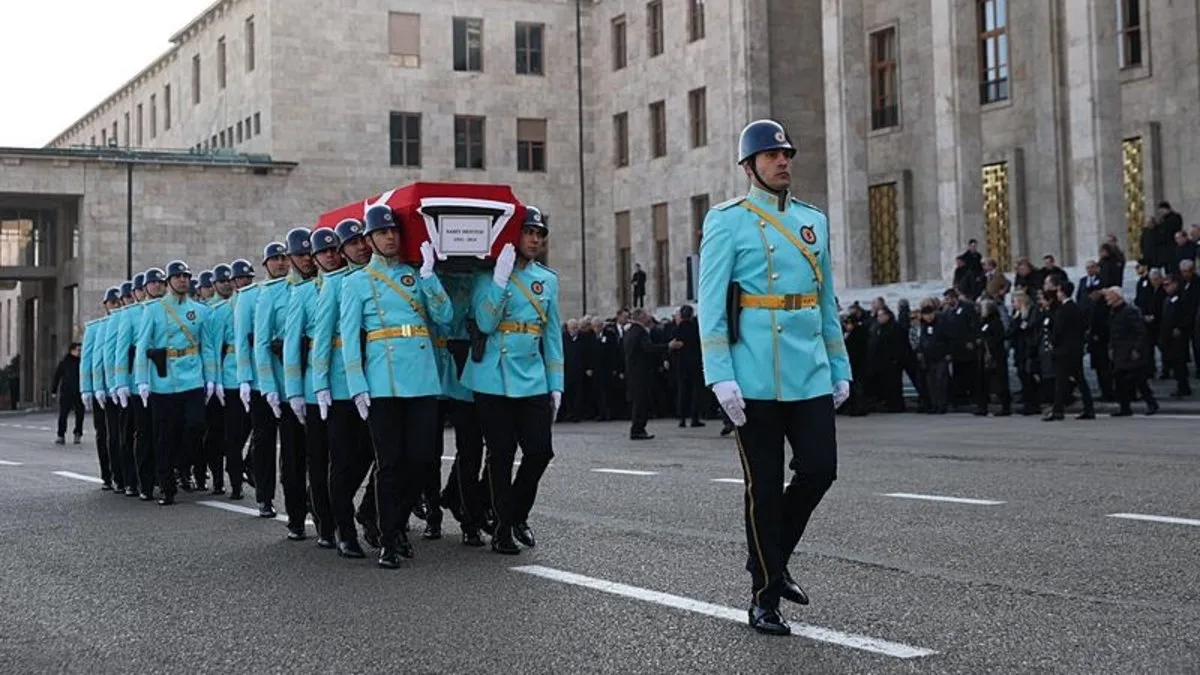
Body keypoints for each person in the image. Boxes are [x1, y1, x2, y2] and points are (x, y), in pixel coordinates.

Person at [697, 119, 851, 636]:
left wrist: (840, 366)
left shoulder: (813, 221)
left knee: (820, 470)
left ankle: (771, 555)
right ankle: (764, 595)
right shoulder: (727, 221)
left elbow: (825, 301)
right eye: (771, 155)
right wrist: (720, 375)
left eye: (786, 154)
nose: (783, 161)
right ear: (749, 167)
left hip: (809, 370)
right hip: (753, 375)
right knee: (763, 487)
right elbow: (711, 306)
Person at [339, 204, 452, 568]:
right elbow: (349, 337)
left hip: (422, 377)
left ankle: (394, 521)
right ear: (369, 240)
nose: (390, 237)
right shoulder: (356, 282)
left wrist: (430, 276)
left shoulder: (415, 275)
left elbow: (445, 317)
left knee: (421, 460)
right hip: (382, 381)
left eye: (393, 231)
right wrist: (357, 385)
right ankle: (389, 539)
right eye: (382, 232)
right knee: (390, 464)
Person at [461, 205, 564, 556]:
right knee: (501, 454)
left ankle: (515, 513)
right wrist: (500, 281)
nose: (535, 240)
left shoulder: (547, 279)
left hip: (532, 375)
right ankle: (502, 528)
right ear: (513, 236)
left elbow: (552, 335)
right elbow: (485, 323)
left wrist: (556, 382)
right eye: (529, 233)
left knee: (540, 451)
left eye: (540, 235)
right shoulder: (486, 276)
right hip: (493, 376)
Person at [312, 217, 380, 557]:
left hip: (377, 382)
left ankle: (363, 510)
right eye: (353, 243)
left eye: (363, 240)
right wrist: (320, 385)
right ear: (342, 251)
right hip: (341, 387)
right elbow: (322, 339)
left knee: (372, 454)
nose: (361, 247)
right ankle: (344, 531)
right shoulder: (336, 284)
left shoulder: (379, 278)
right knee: (342, 461)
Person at [133, 261, 217, 506]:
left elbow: (207, 347)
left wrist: (211, 378)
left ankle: (183, 463)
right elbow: (142, 346)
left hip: (192, 377)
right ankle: (167, 486)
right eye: (178, 276)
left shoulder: (200, 311)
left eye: (186, 276)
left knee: (196, 425)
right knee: (164, 436)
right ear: (169, 281)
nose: (183, 280)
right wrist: (142, 380)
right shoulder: (154, 309)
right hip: (164, 380)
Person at [258, 228, 313, 541]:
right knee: (293, 456)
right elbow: (262, 343)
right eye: (300, 255)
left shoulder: (322, 286)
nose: (307, 259)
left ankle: (320, 508)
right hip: (286, 385)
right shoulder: (272, 293)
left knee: (321, 454)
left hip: (319, 381)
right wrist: (268, 386)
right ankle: (296, 515)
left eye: (309, 253)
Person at [284, 227, 338, 549]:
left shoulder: (346, 283)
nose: (309, 259)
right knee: (313, 460)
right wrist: (292, 391)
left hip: (345, 383)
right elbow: (291, 345)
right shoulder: (301, 293)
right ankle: (323, 523)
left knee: (343, 459)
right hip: (311, 388)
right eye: (303, 254)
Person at [237, 242, 290, 518]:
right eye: (275, 259)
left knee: (293, 445)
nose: (281, 263)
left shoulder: (295, 289)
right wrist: (245, 379)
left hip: (292, 380)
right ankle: (264, 496)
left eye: (284, 258)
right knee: (264, 441)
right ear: (265, 264)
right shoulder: (250, 296)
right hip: (262, 381)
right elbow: (243, 341)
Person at [80, 287, 123, 490]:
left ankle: (122, 474)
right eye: (113, 302)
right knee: (105, 433)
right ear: (105, 305)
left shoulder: (126, 322)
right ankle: (108, 474)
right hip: (103, 391)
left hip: (121, 387)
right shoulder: (96, 328)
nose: (117, 305)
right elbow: (89, 361)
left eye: (119, 302)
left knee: (121, 434)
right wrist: (87, 388)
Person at [52, 343, 84, 445]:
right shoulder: (64, 362)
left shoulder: (82, 362)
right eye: (78, 350)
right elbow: (57, 376)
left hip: (79, 392)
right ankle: (61, 435)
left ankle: (78, 433)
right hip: (66, 392)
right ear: (72, 350)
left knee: (80, 414)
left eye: (80, 350)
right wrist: (54, 390)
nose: (79, 352)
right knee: (63, 414)